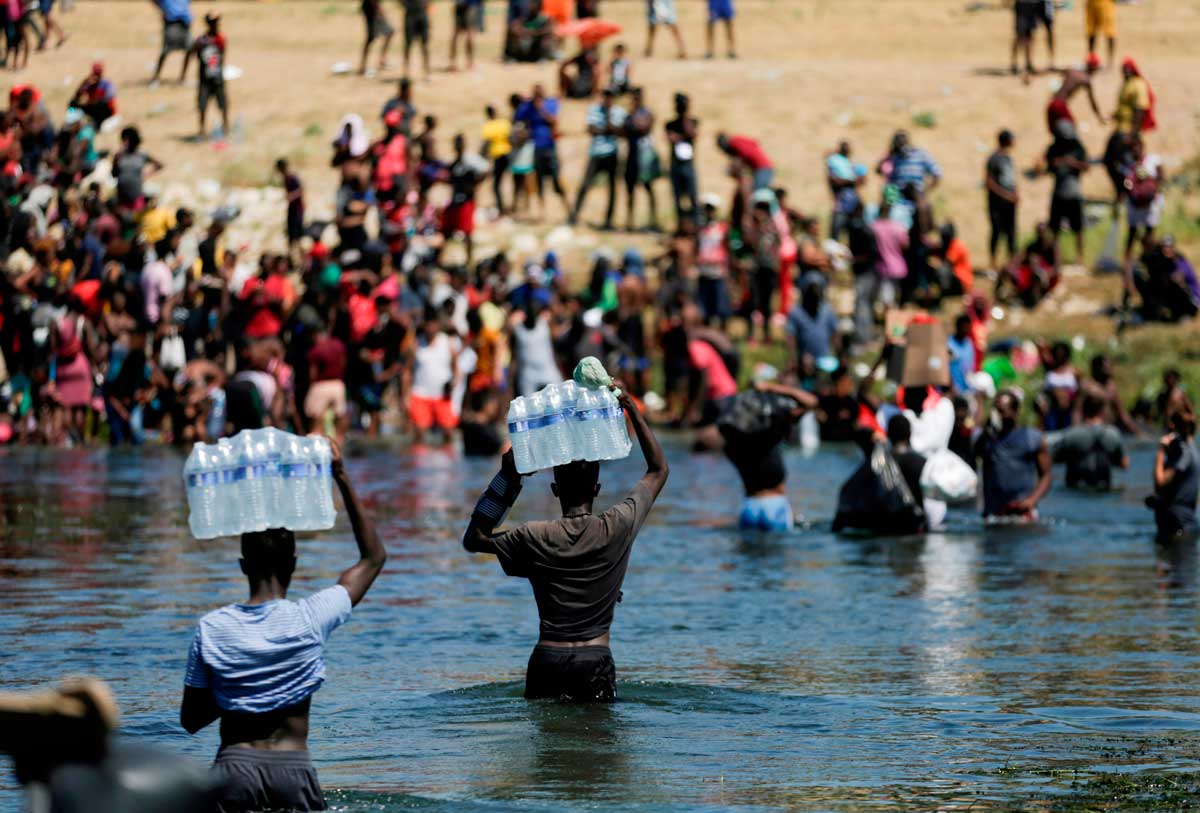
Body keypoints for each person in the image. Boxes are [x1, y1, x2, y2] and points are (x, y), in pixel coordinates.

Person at [180, 443, 386, 813]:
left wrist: (239, 681)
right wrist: (340, 475)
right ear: (293, 563)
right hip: (294, 772)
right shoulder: (312, 616)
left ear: (243, 566)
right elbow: (373, 558)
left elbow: (191, 720)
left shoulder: (212, 628)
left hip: (233, 771)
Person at [461, 387, 668, 702]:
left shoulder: (533, 535)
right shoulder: (617, 525)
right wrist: (631, 409)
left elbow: (474, 539)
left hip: (547, 660)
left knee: (548, 750)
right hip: (594, 660)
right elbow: (658, 471)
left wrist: (508, 478)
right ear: (597, 489)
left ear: (555, 489)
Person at [719, 379, 816, 531]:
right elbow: (811, 402)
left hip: (749, 508)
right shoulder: (771, 437)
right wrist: (772, 387)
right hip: (775, 506)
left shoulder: (734, 447)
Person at [975, 390, 1052, 521]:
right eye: (995, 411)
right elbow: (973, 455)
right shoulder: (987, 440)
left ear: (1015, 412)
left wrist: (1031, 500)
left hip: (1023, 512)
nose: (998, 416)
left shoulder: (1032, 438)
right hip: (994, 514)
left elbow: (1046, 476)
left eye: (1002, 411)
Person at [569, 88, 625, 231]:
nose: (608, 100)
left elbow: (620, 131)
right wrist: (608, 128)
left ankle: (608, 221)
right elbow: (592, 130)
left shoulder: (619, 112)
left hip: (612, 154)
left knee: (612, 189)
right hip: (596, 153)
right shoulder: (594, 110)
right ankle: (574, 216)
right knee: (585, 185)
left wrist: (606, 126)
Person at [514, 84, 569, 218]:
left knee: (557, 178)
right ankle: (541, 211)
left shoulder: (550, 104)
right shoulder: (527, 107)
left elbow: (553, 120)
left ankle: (567, 209)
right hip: (535, 148)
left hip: (549, 146)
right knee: (538, 180)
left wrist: (541, 108)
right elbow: (517, 119)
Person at [1053, 394, 1128, 490]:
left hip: (1076, 490)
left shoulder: (1071, 434)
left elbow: (1054, 459)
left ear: (1083, 411)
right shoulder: (1113, 433)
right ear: (1102, 411)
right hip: (1104, 488)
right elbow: (1124, 464)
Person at [1150, 409, 1199, 540]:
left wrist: (1161, 450)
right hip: (1182, 523)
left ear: (1172, 425)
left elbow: (1160, 483)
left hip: (1177, 525)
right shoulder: (1190, 445)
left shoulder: (1183, 454)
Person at [1044, 119, 1088, 263]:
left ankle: (1079, 258)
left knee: (1078, 228)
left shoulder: (1078, 148)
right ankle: (1056, 258)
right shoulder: (1053, 149)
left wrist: (1072, 163)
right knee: (1055, 228)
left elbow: (1086, 166)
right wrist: (1055, 164)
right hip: (1059, 192)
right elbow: (1047, 168)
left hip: (1074, 193)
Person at [1122, 137, 1164, 280]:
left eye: (1136, 146)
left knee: (1149, 236)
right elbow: (1125, 185)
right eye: (1132, 148)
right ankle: (1127, 267)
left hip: (1150, 206)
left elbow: (1161, 178)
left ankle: (1151, 264)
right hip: (1135, 207)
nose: (1135, 150)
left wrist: (1149, 189)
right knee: (1132, 236)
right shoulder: (1128, 165)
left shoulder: (1153, 160)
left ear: (1141, 146)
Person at [186, 13, 230, 140]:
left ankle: (226, 127)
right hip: (204, 79)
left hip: (217, 78)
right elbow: (191, 54)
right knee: (202, 105)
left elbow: (223, 56)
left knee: (223, 104)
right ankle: (202, 130)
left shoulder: (221, 39)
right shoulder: (201, 40)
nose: (216, 25)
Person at [622, 86, 660, 232]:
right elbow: (624, 129)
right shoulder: (630, 114)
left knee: (648, 187)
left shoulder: (646, 113)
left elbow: (643, 127)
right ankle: (629, 221)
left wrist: (634, 122)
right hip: (632, 155)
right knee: (630, 190)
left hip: (644, 156)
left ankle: (653, 220)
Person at [1074, 355, 1140, 434]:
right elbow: (1077, 411)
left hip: (1108, 429)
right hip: (1090, 430)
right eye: (1106, 367)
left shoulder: (1111, 387)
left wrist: (1137, 432)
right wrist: (1077, 430)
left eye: (1110, 367)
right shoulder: (1087, 385)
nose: (1110, 370)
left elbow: (1122, 413)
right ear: (1097, 368)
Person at [785, 272, 838, 370]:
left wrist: (838, 354)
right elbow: (790, 336)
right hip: (805, 360)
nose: (814, 294)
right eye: (811, 290)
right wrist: (793, 358)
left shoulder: (827, 310)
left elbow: (835, 333)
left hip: (825, 359)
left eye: (817, 290)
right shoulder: (796, 312)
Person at [1045, 54, 1105, 136]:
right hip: (1060, 106)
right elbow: (1093, 103)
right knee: (1070, 133)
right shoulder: (1086, 80)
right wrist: (1100, 117)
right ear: (1093, 68)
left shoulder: (1072, 70)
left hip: (1051, 104)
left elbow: (1054, 70)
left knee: (1059, 134)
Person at [985, 129, 1018, 270]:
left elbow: (1011, 180)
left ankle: (1012, 264)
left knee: (1011, 233)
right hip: (997, 204)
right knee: (997, 232)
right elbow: (989, 183)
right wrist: (1006, 195)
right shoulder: (994, 159)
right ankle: (993, 264)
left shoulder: (1008, 158)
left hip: (1010, 204)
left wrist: (1015, 194)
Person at [664, 92, 698, 228]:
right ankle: (681, 226)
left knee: (693, 197)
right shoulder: (670, 124)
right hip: (675, 165)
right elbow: (671, 138)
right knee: (677, 199)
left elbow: (691, 134)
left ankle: (695, 225)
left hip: (688, 164)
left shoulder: (692, 121)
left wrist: (685, 116)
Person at [826, 140, 864, 240]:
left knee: (855, 232)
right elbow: (835, 180)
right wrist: (851, 181)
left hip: (853, 203)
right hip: (841, 202)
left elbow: (860, 180)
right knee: (836, 231)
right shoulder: (834, 161)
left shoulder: (849, 164)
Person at [152, 0, 192, 84]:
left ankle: (183, 78)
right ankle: (156, 78)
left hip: (185, 23)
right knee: (165, 51)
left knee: (189, 50)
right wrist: (164, 9)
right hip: (172, 23)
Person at [481, 105, 511, 215]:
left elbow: (486, 144)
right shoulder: (504, 123)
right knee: (511, 181)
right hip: (509, 154)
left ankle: (501, 207)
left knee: (496, 184)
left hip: (498, 156)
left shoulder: (488, 126)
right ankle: (511, 206)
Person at [1012, 0, 1055, 78]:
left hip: (1035, 4)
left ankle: (1028, 64)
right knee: (1020, 35)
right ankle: (1015, 64)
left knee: (1029, 35)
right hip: (1023, 4)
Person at [1113, 57, 1155, 136]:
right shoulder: (1126, 84)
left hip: (1129, 130)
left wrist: (1133, 133)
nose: (1125, 71)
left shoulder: (1138, 84)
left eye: (1128, 69)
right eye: (1124, 69)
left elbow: (1140, 109)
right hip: (1120, 127)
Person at [71, 62, 116, 129]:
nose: (96, 76)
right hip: (93, 108)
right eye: (95, 73)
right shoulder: (90, 84)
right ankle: (72, 121)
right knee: (73, 104)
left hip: (106, 111)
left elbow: (108, 98)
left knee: (99, 106)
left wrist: (92, 102)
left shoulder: (106, 84)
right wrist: (84, 83)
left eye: (98, 74)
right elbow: (77, 96)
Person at [276, 159, 304, 256]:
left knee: (297, 235)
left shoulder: (292, 177)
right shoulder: (286, 178)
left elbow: (300, 190)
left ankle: (301, 256)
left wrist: (291, 196)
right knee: (291, 235)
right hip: (292, 209)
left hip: (297, 209)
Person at [359, 0, 394, 75]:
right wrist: (380, 11)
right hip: (371, 10)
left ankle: (382, 60)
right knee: (371, 38)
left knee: (390, 32)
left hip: (373, 8)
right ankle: (362, 66)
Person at [401, 0, 431, 80]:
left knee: (425, 45)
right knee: (408, 44)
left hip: (422, 14)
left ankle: (427, 72)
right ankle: (406, 72)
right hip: (410, 14)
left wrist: (426, 4)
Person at [1086, 0, 1116, 69]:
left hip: (1106, 3)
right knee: (1091, 32)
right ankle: (1091, 60)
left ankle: (1110, 62)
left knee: (1109, 32)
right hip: (1092, 3)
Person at [449, 0, 476, 71]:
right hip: (459, 8)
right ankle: (453, 62)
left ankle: (470, 62)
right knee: (455, 36)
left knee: (470, 36)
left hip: (469, 8)